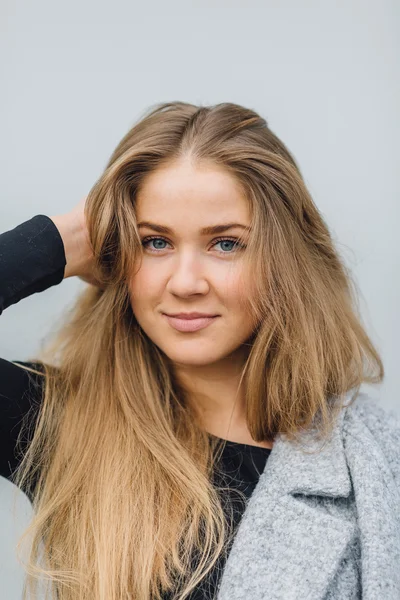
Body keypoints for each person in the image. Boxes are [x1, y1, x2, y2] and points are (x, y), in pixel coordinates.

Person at [0, 101, 399, 600]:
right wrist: (65, 238)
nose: (186, 283)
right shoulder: (64, 424)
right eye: (155, 243)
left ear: (284, 262)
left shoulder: (376, 464)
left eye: (226, 244)